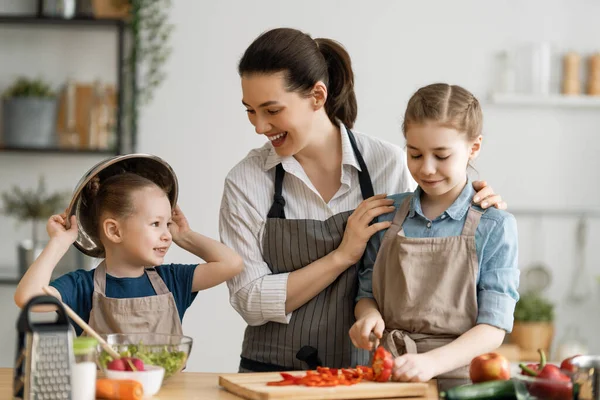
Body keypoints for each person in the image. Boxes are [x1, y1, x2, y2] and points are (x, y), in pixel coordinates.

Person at [219, 28, 505, 372]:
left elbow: (431, 242)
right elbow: (250, 300)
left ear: (317, 96)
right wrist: (342, 256)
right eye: (250, 111)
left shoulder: (387, 163)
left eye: (272, 110)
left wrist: (478, 203)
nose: (260, 126)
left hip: (369, 375)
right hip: (269, 375)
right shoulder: (246, 180)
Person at [349, 83, 519, 386]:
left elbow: (494, 326)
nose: (427, 169)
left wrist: (431, 362)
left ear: (474, 147)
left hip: (459, 383)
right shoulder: (387, 215)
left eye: (441, 156)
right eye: (415, 154)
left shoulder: (495, 225)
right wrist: (368, 317)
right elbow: (366, 295)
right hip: (388, 379)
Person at [14, 170, 243, 336]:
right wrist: (60, 242)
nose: (167, 235)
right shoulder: (83, 286)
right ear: (114, 230)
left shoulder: (172, 280)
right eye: (155, 224)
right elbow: (27, 298)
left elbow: (231, 263)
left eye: (168, 224)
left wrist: (186, 236)